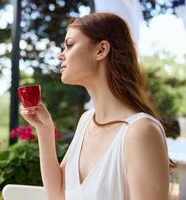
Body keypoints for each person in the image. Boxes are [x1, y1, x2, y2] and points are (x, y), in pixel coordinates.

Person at [20, 12, 170, 200]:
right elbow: (57, 195)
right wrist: (44, 130)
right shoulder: (86, 121)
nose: (61, 55)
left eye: (69, 45)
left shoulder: (141, 131)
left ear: (101, 50)